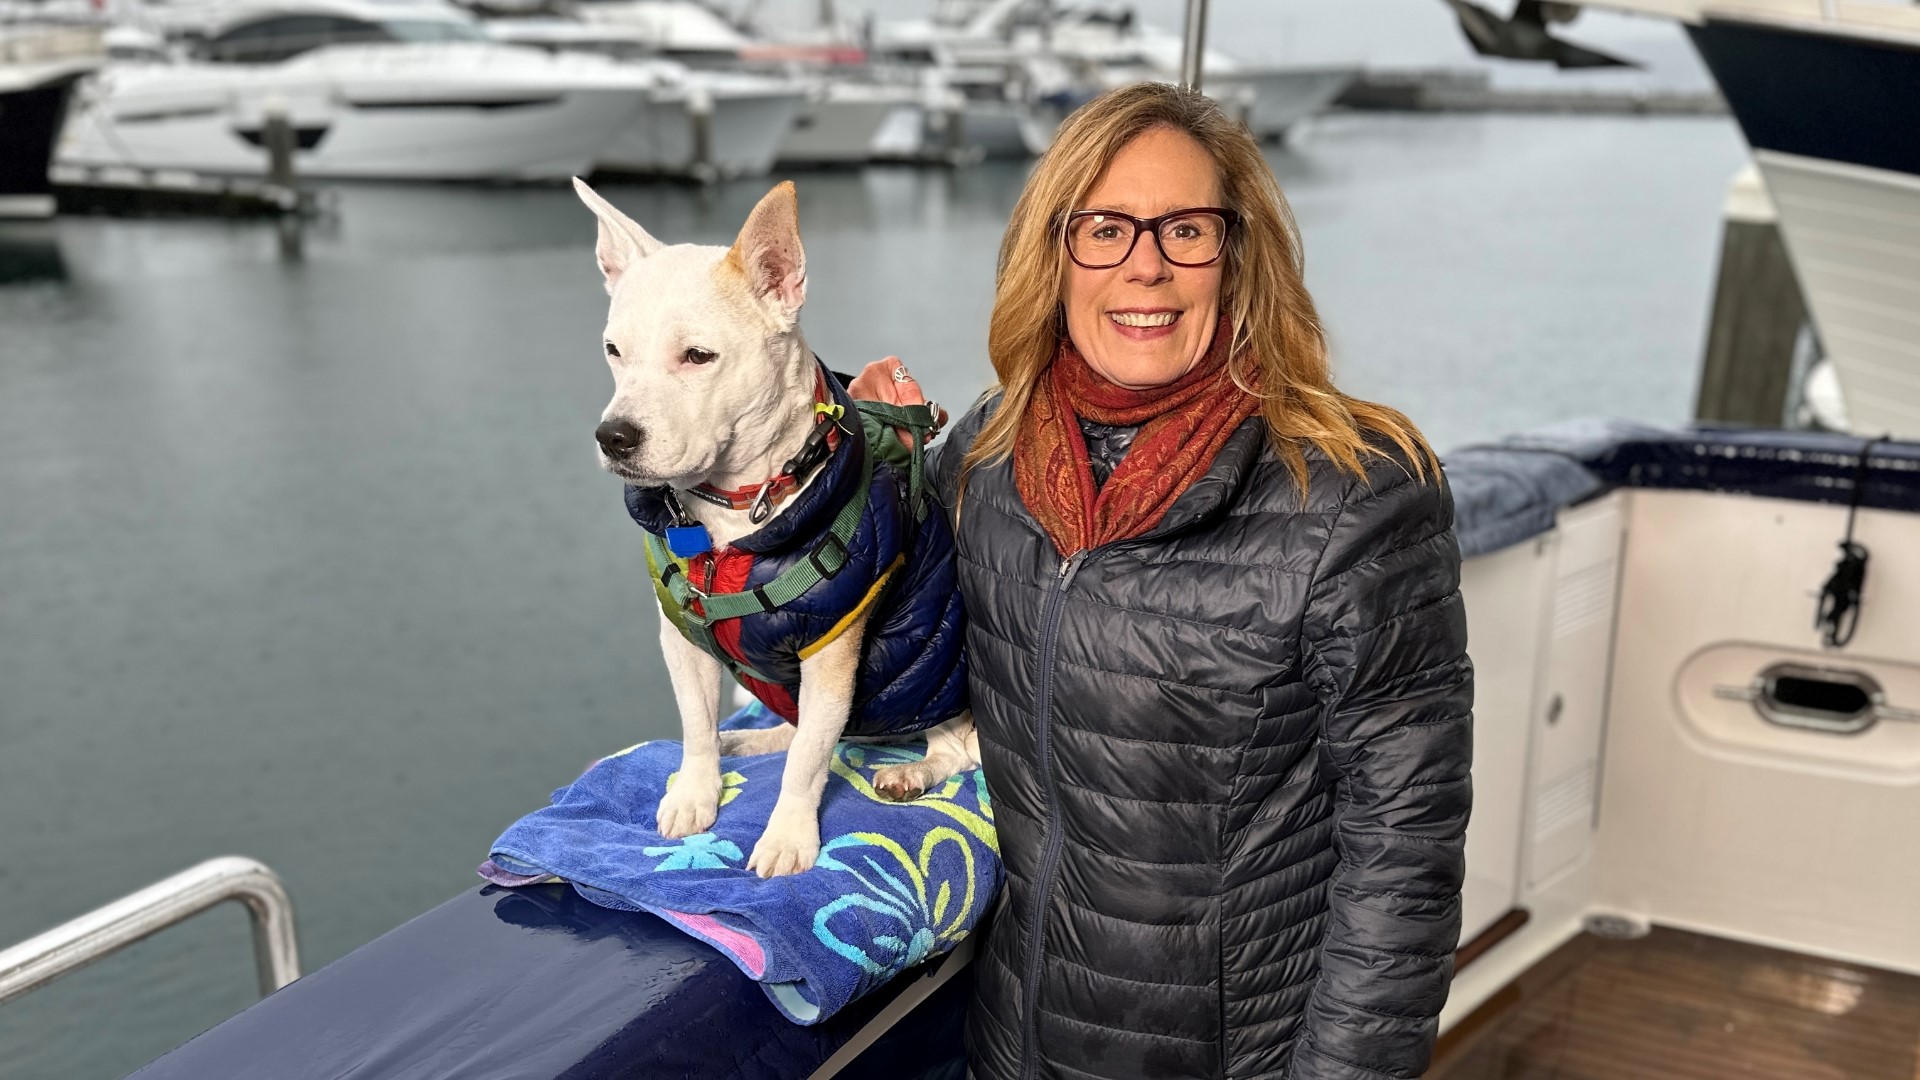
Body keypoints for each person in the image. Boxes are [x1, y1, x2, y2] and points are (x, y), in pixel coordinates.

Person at [854, 82, 1472, 1080]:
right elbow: (892, 691)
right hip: (1018, 1036)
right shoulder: (986, 456)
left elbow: (1402, 856)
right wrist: (858, 494)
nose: (1145, 263)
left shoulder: (1352, 497)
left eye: (1184, 228)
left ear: (1237, 256)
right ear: (1052, 253)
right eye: (1104, 227)